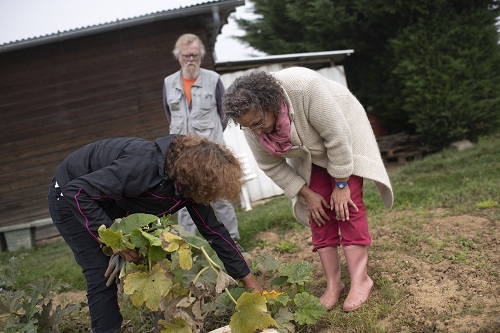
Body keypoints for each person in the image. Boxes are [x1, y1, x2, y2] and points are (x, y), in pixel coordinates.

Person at [47, 134, 262, 333]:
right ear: (195, 180)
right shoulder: (142, 167)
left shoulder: (186, 183)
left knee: (159, 263)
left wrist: (248, 280)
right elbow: (78, 190)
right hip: (69, 194)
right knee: (101, 273)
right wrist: (112, 237)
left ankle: (163, 326)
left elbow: (214, 231)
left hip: (112, 199)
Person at [222, 67, 394, 312]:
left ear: (270, 104)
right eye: (249, 127)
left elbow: (338, 137)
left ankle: (361, 280)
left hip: (344, 136)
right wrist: (306, 194)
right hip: (311, 154)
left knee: (347, 206)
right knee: (318, 212)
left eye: (259, 123)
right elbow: (270, 165)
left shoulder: (305, 88)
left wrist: (342, 184)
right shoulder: (252, 124)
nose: (257, 131)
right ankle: (334, 284)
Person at [162, 33, 243, 249]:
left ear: (201, 56)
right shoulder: (168, 83)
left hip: (212, 151)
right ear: (178, 56)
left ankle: (232, 240)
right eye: (187, 55)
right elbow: (169, 114)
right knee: (184, 199)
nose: (191, 60)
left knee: (221, 196)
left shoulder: (214, 79)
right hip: (183, 154)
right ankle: (187, 245)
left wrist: (212, 139)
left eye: (196, 56)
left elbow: (224, 114)